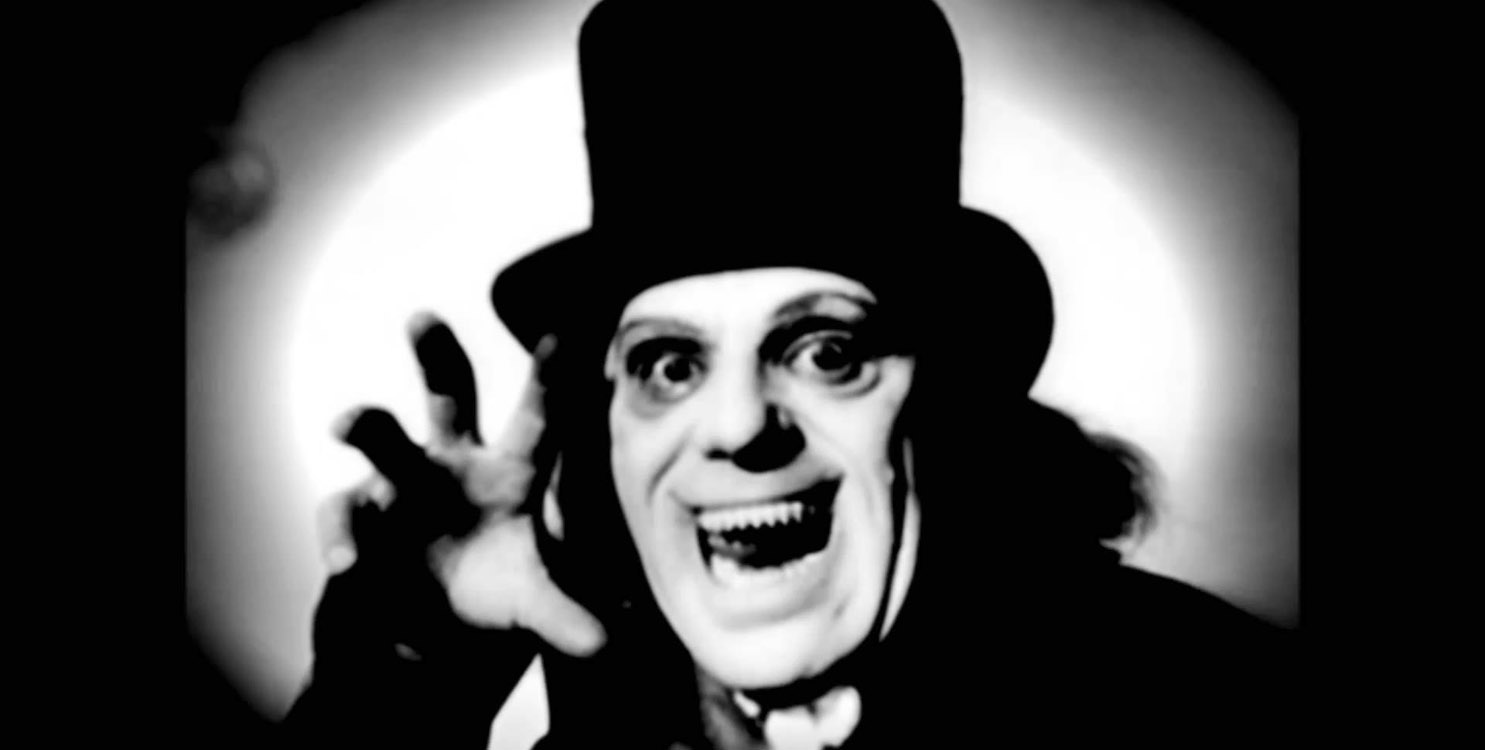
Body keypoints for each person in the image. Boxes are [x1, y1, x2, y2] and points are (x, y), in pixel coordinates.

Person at [283, 1, 1290, 747]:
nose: (737, 425)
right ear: (608, 435)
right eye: (669, 364)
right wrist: (398, 689)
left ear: (951, 401)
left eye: (825, 353)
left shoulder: (1216, 702)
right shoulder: (604, 722)